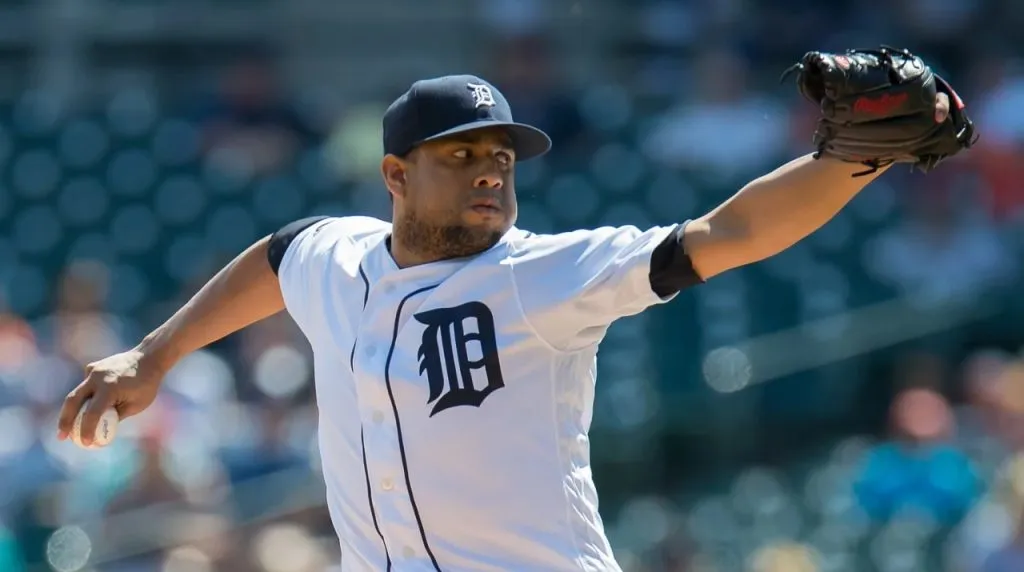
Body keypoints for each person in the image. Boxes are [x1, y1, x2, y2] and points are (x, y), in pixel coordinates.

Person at [57, 73, 955, 571]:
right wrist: (156, 353)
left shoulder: (541, 277)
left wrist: (848, 162)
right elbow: (280, 252)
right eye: (462, 155)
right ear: (396, 176)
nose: (491, 170)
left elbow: (727, 233)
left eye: (501, 155)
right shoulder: (338, 256)